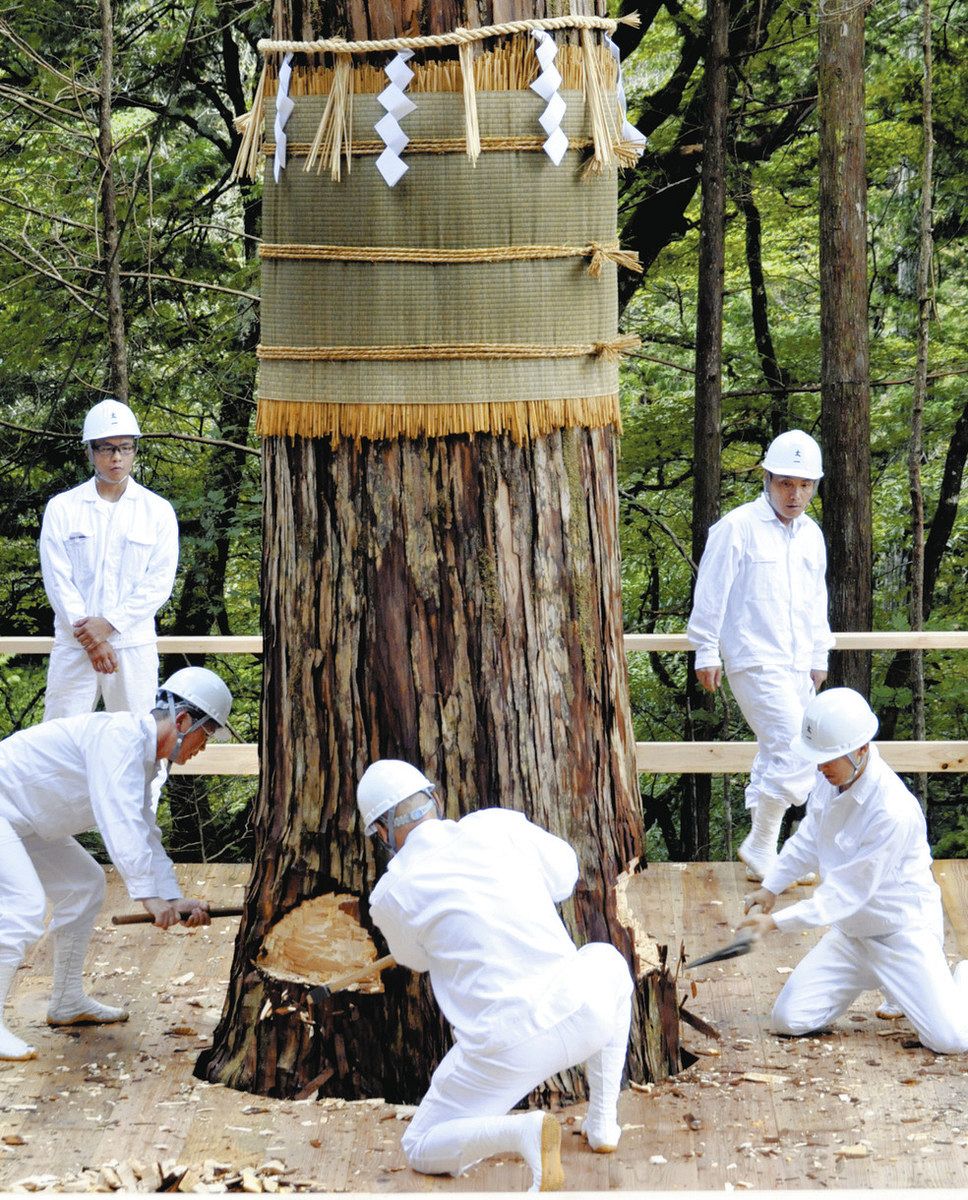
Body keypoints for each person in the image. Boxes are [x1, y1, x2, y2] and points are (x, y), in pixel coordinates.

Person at [357, 760, 634, 1193]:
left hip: (503, 1048)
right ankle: (603, 1122)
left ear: (380, 832)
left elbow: (415, 959)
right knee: (606, 960)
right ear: (433, 799)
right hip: (582, 1013)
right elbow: (565, 875)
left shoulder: (390, 895)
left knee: (421, 1145)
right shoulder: (497, 825)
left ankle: (521, 1132)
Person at [0, 667, 233, 1063]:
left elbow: (145, 833)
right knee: (24, 907)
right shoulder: (119, 738)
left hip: (25, 820)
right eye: (206, 735)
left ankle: (67, 1000)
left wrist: (174, 898)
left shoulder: (142, 761)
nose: (203, 748)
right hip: (8, 809)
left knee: (85, 885)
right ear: (182, 721)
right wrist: (149, 898)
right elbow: (119, 820)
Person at [740, 688, 968, 1055]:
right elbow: (809, 838)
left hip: (901, 935)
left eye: (828, 758)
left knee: (952, 1041)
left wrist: (776, 922)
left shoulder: (892, 810)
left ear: (861, 748)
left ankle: (960, 979)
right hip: (851, 936)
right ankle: (891, 987)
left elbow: (847, 892)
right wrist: (770, 888)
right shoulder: (830, 778)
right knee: (789, 1020)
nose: (820, 766)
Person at [686, 429, 833, 880]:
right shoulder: (737, 527)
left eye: (805, 485)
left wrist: (818, 654)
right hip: (754, 658)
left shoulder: (811, 535)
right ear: (768, 478)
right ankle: (762, 844)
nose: (796, 494)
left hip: (795, 663)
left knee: (780, 750)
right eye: (787, 483)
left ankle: (767, 858)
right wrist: (705, 649)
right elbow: (711, 591)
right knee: (796, 750)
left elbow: (814, 600)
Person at [39, 398, 179, 721]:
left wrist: (110, 625)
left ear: (135, 450)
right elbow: (59, 583)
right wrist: (91, 639)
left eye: (125, 448)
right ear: (89, 451)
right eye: (106, 448)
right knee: (59, 740)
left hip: (133, 646)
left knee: (142, 740)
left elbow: (158, 584)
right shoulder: (63, 509)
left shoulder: (157, 512)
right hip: (75, 648)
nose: (116, 457)